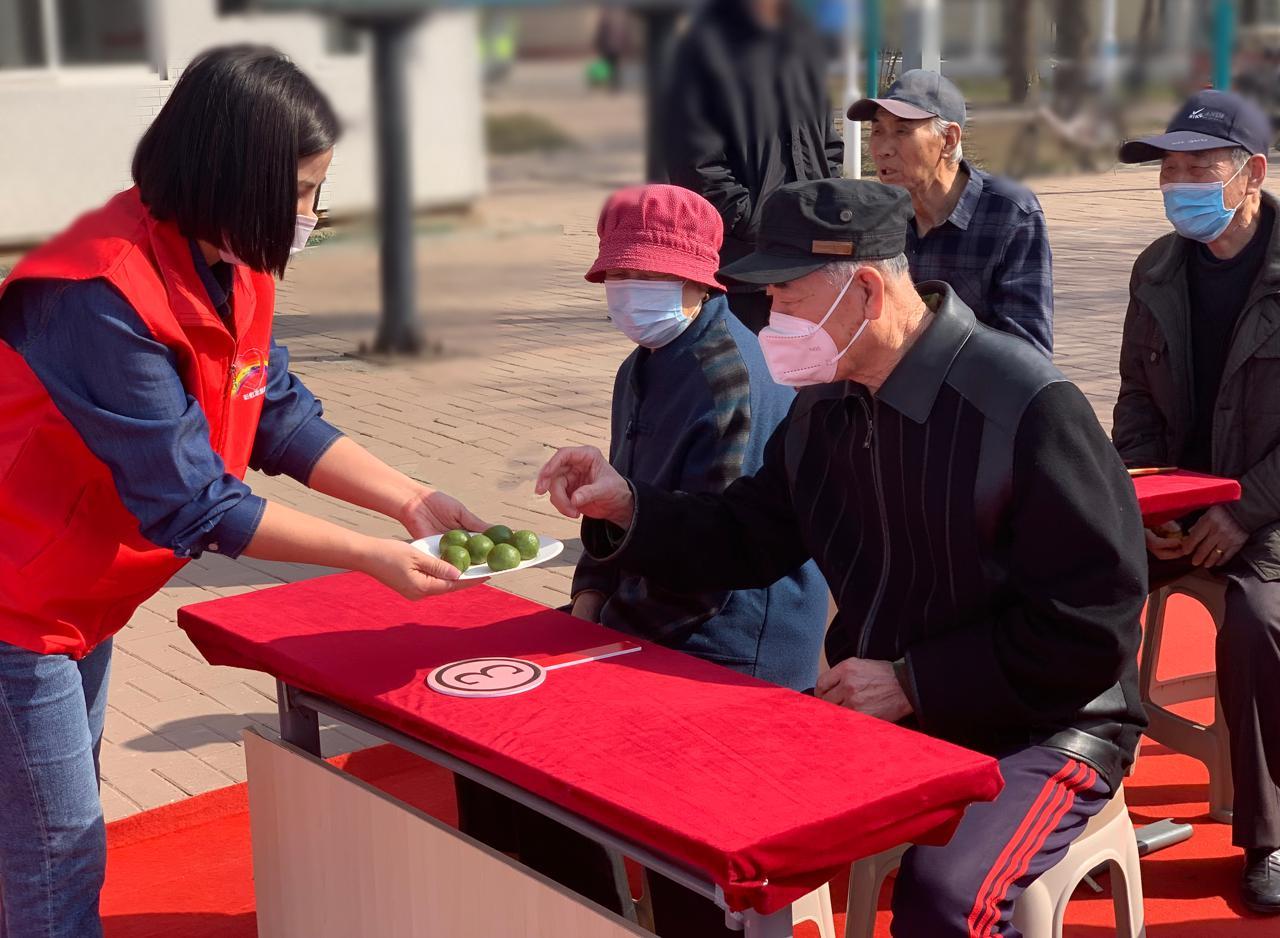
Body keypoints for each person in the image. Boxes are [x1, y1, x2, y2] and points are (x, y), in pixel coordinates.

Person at [537, 178, 1149, 938]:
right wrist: (627, 506)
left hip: (1051, 723)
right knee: (699, 801)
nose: (770, 324)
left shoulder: (1023, 403)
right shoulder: (826, 406)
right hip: (885, 709)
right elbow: (746, 534)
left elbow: (1095, 625)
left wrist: (912, 680)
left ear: (863, 289)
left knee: (946, 898)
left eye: (787, 300)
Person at [0, 46, 484, 938]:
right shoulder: (98, 295)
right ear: (230, 176)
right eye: (300, 191)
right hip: (17, 606)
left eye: (317, 188)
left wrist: (408, 499)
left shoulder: (233, 257)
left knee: (37, 827)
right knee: (57, 849)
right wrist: (376, 559)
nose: (311, 215)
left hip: (76, 596)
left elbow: (272, 413)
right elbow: (196, 504)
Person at [458, 184, 828, 935]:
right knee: (491, 740)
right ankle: (574, 912)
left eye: (646, 278)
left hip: (730, 638)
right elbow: (622, 507)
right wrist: (587, 606)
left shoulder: (729, 375)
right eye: (618, 278)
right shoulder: (647, 363)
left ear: (699, 281)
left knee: (560, 745)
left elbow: (714, 563)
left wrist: (595, 638)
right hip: (652, 611)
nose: (627, 295)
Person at [1113, 89, 1280, 915]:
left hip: (1271, 514)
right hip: (1173, 509)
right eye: (1168, 169)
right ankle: (1082, 788)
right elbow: (1135, 402)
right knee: (1069, 570)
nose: (1177, 184)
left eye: (1196, 168)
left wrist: (1243, 508)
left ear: (1251, 174)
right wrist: (1153, 505)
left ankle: (1269, 837)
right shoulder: (1158, 267)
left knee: (1259, 622)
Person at [662, 0, 843, 334]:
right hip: (743, 266)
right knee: (749, 374)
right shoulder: (703, 52)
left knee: (808, 376)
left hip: (808, 258)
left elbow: (828, 147)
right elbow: (696, 164)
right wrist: (753, 223)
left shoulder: (801, 46)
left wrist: (823, 210)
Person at [848, 69, 1055, 357]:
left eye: (901, 131)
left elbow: (1027, 351)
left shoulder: (1009, 213)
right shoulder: (877, 216)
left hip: (974, 393)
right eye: (877, 131)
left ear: (948, 140)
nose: (882, 149)